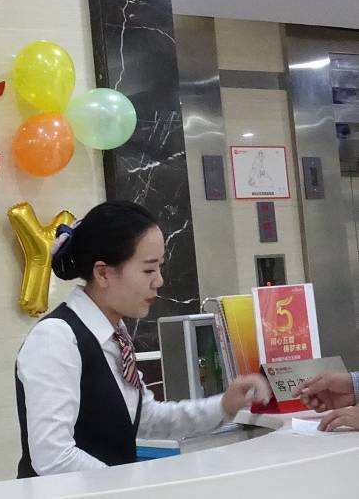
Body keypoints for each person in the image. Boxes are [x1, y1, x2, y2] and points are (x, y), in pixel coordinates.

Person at [15, 201, 271, 478]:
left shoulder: (115, 335)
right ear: (103, 273)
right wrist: (127, 488)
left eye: (160, 268)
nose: (159, 281)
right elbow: (53, 456)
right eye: (149, 270)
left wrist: (223, 405)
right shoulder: (56, 338)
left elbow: (143, 417)